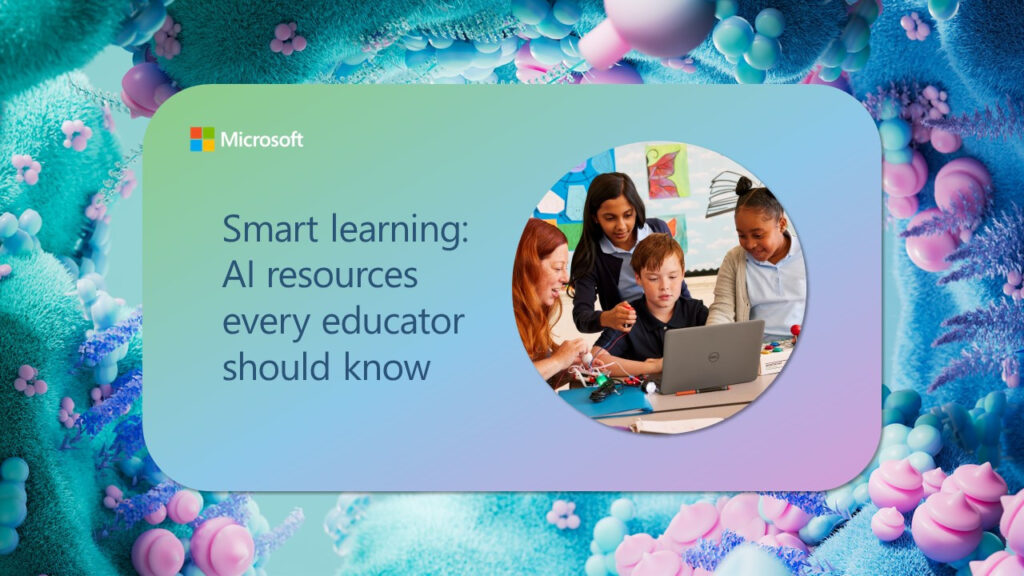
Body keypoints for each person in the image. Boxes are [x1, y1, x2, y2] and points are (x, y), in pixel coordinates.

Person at [568, 172, 691, 334]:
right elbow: (581, 317)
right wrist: (608, 317)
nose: (621, 226)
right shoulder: (589, 255)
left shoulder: (657, 229)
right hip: (631, 337)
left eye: (628, 215)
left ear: (636, 210)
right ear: (595, 217)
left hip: (672, 328)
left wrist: (692, 323)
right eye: (610, 218)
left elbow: (681, 289)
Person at [592, 233, 708, 377]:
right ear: (638, 278)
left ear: (683, 274)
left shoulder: (697, 312)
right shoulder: (628, 317)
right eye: (653, 278)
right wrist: (653, 366)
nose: (665, 286)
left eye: (672, 277)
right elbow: (596, 360)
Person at [707, 177, 806, 337]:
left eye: (758, 235)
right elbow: (722, 309)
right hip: (757, 349)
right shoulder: (734, 259)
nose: (750, 244)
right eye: (741, 235)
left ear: (781, 224)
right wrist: (713, 339)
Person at [513, 218, 589, 382]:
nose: (566, 278)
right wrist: (558, 361)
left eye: (565, 268)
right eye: (558, 268)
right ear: (528, 267)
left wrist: (569, 368)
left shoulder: (533, 316)